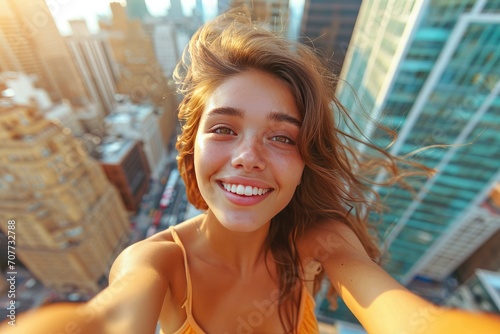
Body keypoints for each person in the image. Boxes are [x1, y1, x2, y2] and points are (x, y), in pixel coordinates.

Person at [2, 7, 500, 334]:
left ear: (306, 160)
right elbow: (107, 319)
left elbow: (408, 317)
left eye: (282, 136)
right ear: (189, 147)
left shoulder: (319, 238)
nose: (248, 156)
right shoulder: (157, 261)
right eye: (223, 129)